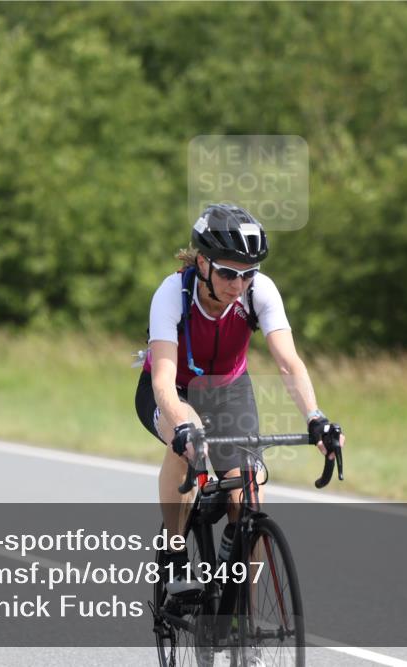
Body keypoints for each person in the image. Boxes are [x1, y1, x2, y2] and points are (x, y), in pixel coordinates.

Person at [134, 203, 345, 596]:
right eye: (228, 272)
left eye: (248, 274)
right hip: (172, 389)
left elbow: (288, 362)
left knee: (248, 493)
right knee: (187, 443)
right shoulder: (171, 294)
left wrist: (316, 418)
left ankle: (240, 622)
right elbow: (162, 378)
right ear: (202, 263)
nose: (238, 284)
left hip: (229, 389)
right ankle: (176, 553)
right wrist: (182, 424)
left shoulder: (258, 291)